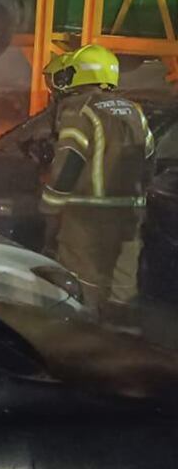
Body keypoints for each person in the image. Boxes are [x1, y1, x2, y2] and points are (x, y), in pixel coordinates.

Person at [40, 44, 154, 318]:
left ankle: (82, 344)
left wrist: (50, 207)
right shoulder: (133, 111)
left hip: (87, 219)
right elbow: (149, 161)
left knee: (83, 287)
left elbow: (67, 165)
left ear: (77, 75)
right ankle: (120, 345)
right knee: (121, 290)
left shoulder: (79, 110)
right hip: (130, 216)